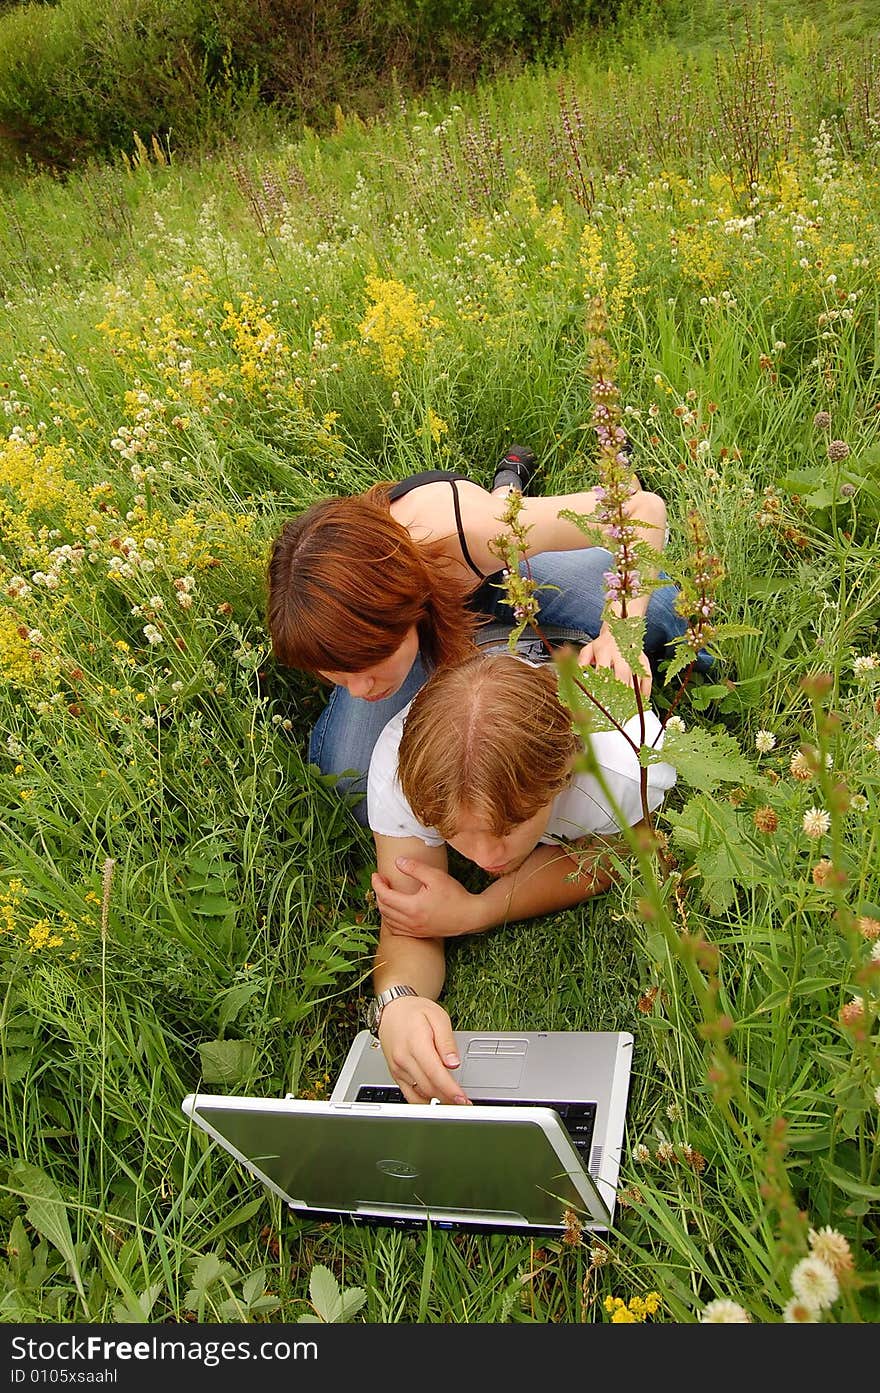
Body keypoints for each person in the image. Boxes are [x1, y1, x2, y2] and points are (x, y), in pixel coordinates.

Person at [267, 449, 697, 821]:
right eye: (338, 673)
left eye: (368, 663)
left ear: (404, 611)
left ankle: (507, 491)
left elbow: (642, 512)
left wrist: (621, 633)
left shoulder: (471, 532)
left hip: (484, 571)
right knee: (353, 782)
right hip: (421, 608)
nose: (360, 689)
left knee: (659, 612)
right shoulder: (320, 609)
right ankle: (510, 621)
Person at [364, 651, 677, 1104]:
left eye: (510, 828)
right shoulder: (397, 773)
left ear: (562, 777)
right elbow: (407, 921)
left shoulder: (622, 768)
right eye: (453, 833)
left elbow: (624, 853)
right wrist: (399, 1002)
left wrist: (477, 910)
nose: (486, 856)